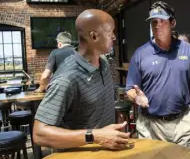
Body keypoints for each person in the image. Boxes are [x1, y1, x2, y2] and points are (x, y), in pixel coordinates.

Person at [33, 9, 130, 150]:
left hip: (106, 155)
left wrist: (117, 119)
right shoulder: (67, 78)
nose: (114, 37)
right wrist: (95, 136)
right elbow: (39, 134)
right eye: (110, 33)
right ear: (94, 36)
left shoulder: (103, 64)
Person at [126, 1, 190, 149]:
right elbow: (130, 89)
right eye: (153, 22)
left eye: (162, 21)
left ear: (172, 22)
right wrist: (135, 97)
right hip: (151, 126)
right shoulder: (140, 54)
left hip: (182, 124)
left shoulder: (187, 50)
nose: (157, 25)